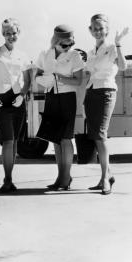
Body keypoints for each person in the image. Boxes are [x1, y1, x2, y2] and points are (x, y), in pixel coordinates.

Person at [35, 25, 85, 190]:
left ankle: (66, 178)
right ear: (55, 41)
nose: (68, 48)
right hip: (51, 96)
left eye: (70, 44)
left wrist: (59, 78)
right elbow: (37, 75)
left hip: (67, 98)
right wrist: (44, 79)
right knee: (55, 139)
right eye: (64, 45)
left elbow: (78, 81)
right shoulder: (45, 54)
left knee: (65, 138)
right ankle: (60, 177)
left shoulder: (75, 56)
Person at [0, 18, 31, 193]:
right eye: (7, 33)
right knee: (7, 140)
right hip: (1, 100)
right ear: (3, 34)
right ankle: (7, 179)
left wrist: (23, 95)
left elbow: (27, 80)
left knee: (14, 142)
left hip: (17, 100)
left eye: (14, 33)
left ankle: (10, 178)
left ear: (18, 33)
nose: (11, 36)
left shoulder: (23, 55)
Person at [84, 14, 128, 195]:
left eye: (101, 28)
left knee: (100, 135)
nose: (98, 31)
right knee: (95, 136)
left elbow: (124, 66)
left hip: (106, 92)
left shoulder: (111, 47)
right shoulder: (91, 52)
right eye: (94, 28)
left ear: (107, 30)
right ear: (90, 30)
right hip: (92, 92)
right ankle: (107, 175)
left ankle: (104, 179)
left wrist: (118, 43)